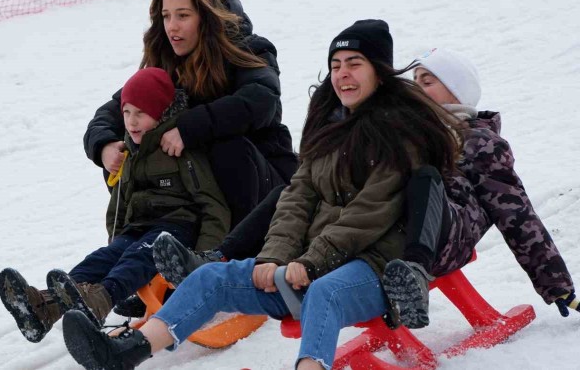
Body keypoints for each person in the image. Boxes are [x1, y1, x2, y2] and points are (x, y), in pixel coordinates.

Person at [62, 20, 463, 370]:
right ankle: (127, 351)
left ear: (379, 71)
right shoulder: (330, 128)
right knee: (209, 278)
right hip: (307, 266)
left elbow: (371, 212)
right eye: (336, 65)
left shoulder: (401, 134)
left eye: (354, 64)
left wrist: (311, 262)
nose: (343, 75)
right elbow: (296, 198)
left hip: (372, 267)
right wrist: (275, 257)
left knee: (324, 292)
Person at [0, 67, 230, 343]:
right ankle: (47, 306)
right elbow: (120, 203)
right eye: (127, 112)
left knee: (137, 257)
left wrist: (203, 258)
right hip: (139, 227)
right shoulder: (129, 151)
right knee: (104, 257)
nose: (131, 121)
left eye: (141, 113)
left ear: (161, 112)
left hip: (177, 230)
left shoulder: (181, 149)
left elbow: (213, 205)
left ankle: (103, 298)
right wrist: (116, 239)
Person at [83, 0, 297, 233]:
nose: (172, 26)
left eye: (183, 16)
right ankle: (138, 242)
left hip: (266, 186)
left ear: (205, 18)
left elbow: (261, 100)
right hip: (197, 193)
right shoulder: (165, 63)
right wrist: (103, 145)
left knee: (226, 147)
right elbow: (112, 113)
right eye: (166, 16)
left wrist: (188, 128)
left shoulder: (248, 49)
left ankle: (238, 248)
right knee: (128, 149)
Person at [381, 47, 579, 328]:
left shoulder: (479, 142)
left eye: (428, 81)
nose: (418, 89)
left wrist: (557, 285)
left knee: (425, 180)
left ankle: (413, 275)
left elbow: (516, 214)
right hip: (397, 233)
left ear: (456, 92)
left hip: (448, 238)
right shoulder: (408, 135)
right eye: (415, 82)